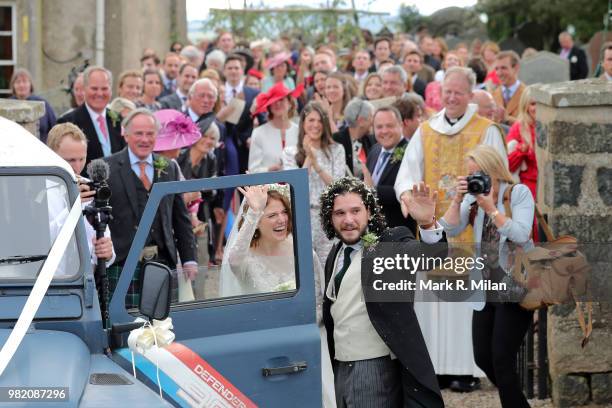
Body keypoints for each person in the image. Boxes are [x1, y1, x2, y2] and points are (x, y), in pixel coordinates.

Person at [395, 66, 507, 393]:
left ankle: (464, 369)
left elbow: (497, 178)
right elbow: (406, 172)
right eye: (447, 92)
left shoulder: (486, 130)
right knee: (432, 304)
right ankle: (435, 369)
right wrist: (407, 197)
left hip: (469, 231)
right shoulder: (426, 130)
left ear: (470, 94)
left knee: (461, 306)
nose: (452, 97)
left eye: (458, 92)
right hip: (432, 230)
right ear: (440, 92)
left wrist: (473, 201)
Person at [320, 177, 445, 408]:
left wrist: (427, 224)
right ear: (330, 217)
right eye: (339, 213)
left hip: (374, 368)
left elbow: (430, 256)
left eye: (355, 211)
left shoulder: (389, 243)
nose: (348, 220)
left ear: (369, 211)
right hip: (340, 367)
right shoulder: (334, 254)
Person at [221, 184, 336, 407]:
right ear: (256, 222)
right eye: (272, 215)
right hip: (266, 347)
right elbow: (232, 261)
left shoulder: (302, 251)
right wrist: (254, 211)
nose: (281, 220)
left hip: (307, 341)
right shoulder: (246, 259)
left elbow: (319, 300)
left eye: (284, 212)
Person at [439, 145, 534, 408]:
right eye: (469, 175)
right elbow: (450, 228)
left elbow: (523, 234)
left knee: (502, 359)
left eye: (477, 174)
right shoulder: (473, 199)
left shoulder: (518, 193)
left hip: (515, 286)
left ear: (493, 169)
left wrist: (492, 208)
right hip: (484, 288)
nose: (474, 180)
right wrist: (458, 200)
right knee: (483, 357)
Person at [104, 108, 198, 309]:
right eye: (139, 133)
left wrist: (189, 258)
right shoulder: (107, 168)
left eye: (150, 134)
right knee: (125, 328)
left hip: (163, 262)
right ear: (126, 134)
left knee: (165, 326)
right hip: (123, 263)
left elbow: (180, 217)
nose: (144, 139)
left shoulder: (169, 167)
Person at [282, 102, 345, 267]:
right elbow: (294, 187)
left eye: (319, 121)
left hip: (329, 215)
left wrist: (317, 165)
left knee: (331, 266)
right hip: (303, 216)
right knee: (306, 268)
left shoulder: (337, 150)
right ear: (303, 123)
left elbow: (338, 186)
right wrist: (308, 157)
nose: (315, 125)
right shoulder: (290, 153)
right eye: (311, 120)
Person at [46, 123, 115, 270]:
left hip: (86, 283)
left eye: (82, 159)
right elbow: (41, 241)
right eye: (70, 160)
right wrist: (73, 207)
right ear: (50, 154)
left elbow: (102, 241)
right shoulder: (36, 190)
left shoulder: (89, 187)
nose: (77, 167)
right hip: (49, 284)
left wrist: (107, 253)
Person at [57, 66, 125, 169]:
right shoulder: (67, 122)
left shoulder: (118, 119)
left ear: (111, 90)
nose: (99, 93)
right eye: (94, 88)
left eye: (104, 88)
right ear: (84, 89)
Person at [365, 106, 416, 233]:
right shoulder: (374, 150)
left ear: (401, 125)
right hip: (374, 231)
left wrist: (373, 190)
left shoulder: (411, 152)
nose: (384, 131)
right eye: (379, 127)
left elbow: (411, 192)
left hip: (400, 231)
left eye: (389, 126)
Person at [248, 82, 303, 173]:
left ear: (290, 103)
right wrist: (269, 170)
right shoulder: (258, 133)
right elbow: (252, 169)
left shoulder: (299, 131)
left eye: (281, 99)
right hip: (268, 185)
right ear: (269, 107)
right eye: (274, 101)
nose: (277, 103)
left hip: (296, 184)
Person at [9, 68, 57, 143]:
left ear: (30, 84)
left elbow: (55, 129)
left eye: (24, 81)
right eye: (18, 82)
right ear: (13, 85)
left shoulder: (42, 104)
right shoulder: (7, 105)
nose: (21, 85)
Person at [332, 98, 376, 179]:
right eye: (371, 117)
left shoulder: (371, 140)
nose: (373, 121)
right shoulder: (336, 140)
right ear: (361, 121)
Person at [492, 51, 525, 126]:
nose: (499, 73)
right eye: (496, 69)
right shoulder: (493, 94)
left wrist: (507, 119)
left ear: (516, 68)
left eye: (503, 68)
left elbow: (530, 125)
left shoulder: (527, 95)